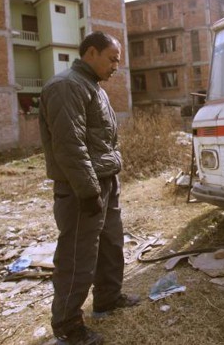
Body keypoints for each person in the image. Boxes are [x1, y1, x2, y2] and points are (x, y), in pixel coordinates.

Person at [39, 31, 139, 345]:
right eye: (112, 59)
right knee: (77, 255)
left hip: (105, 180)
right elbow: (69, 146)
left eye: (118, 61)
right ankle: (68, 327)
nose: (115, 67)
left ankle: (108, 299)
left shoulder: (94, 88)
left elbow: (104, 140)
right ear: (91, 53)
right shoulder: (67, 86)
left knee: (111, 243)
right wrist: (88, 191)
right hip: (82, 187)